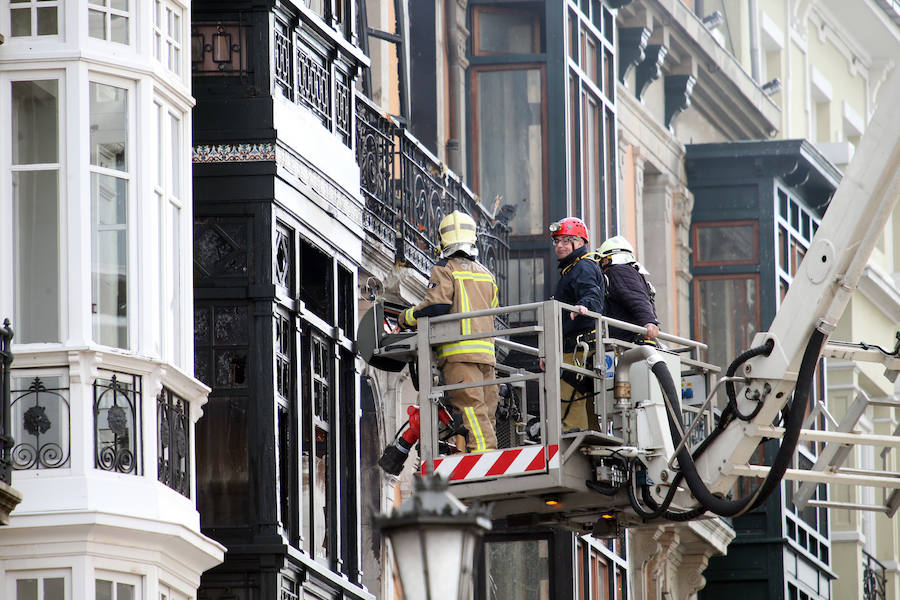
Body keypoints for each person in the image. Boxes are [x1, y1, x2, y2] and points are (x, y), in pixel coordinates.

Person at [399, 210, 500, 453]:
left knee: (471, 409)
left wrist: (407, 316)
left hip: (458, 355)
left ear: (443, 240)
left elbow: (437, 305)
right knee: (486, 412)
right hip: (486, 356)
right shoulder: (487, 274)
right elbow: (493, 308)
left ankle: (483, 461)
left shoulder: (445, 268)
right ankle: (488, 454)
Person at [550, 217, 606, 431]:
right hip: (578, 349)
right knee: (584, 405)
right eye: (557, 241)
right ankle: (590, 452)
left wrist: (584, 305)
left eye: (565, 241)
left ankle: (575, 451)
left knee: (569, 404)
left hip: (577, 351)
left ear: (579, 242)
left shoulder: (582, 266)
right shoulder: (572, 268)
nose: (559, 246)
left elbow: (592, 293)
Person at [597, 235, 660, 345]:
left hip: (629, 342)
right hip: (634, 340)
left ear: (607, 260)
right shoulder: (633, 273)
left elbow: (636, 298)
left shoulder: (619, 271)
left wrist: (648, 321)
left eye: (603, 260)